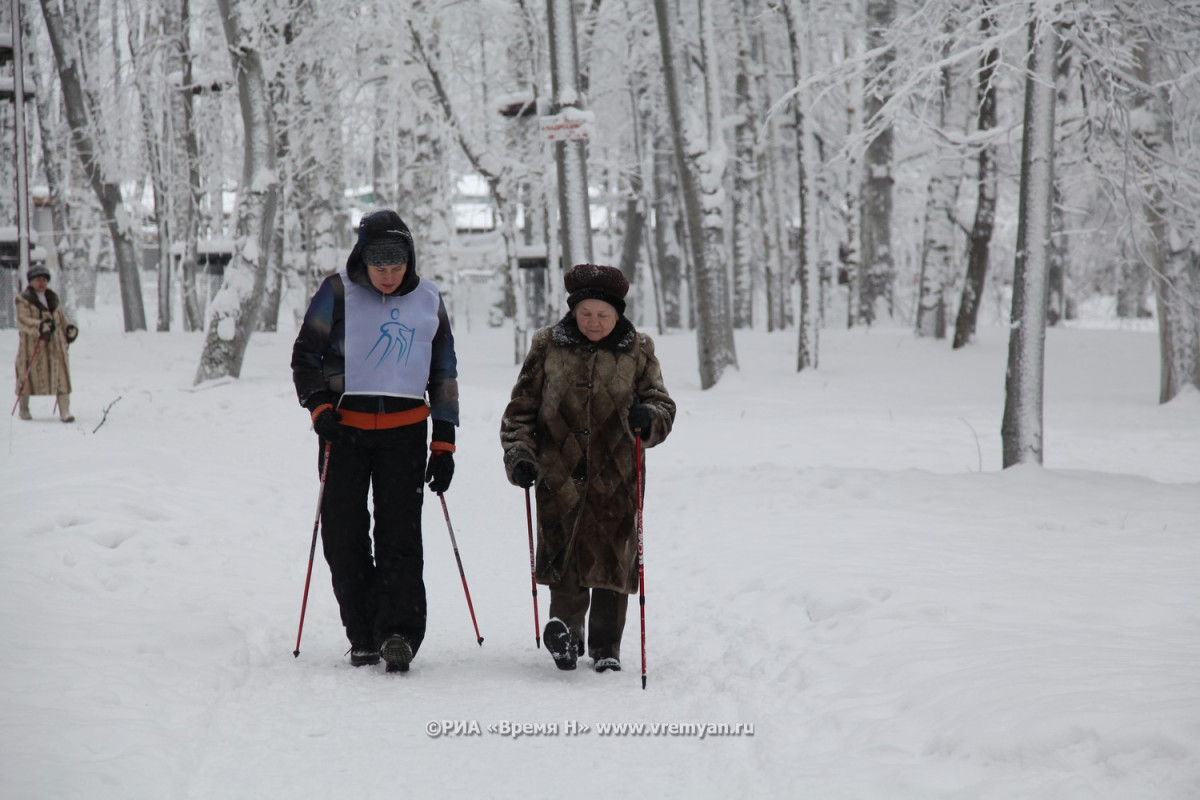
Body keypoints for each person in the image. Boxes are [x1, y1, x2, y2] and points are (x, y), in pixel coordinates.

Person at [291, 209, 459, 673]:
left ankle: (398, 633)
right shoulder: (338, 292)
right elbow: (305, 355)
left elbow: (443, 369)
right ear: (362, 260)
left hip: (406, 433)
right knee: (343, 533)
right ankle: (363, 632)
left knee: (399, 536)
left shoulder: (428, 299)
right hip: (343, 430)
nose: (387, 276)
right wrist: (319, 407)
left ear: (410, 261)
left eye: (396, 266)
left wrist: (444, 440)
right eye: (378, 267)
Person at [500, 263, 676, 673]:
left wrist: (649, 416)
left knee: (613, 559)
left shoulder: (639, 350)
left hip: (617, 477)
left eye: (603, 315)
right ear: (572, 312)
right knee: (567, 557)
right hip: (559, 474)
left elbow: (662, 404)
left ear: (618, 314)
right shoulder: (547, 346)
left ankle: (606, 647)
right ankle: (566, 632)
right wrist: (519, 454)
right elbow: (520, 412)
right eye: (585, 314)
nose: (593, 322)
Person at [14, 264, 78, 423]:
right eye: (38, 280)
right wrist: (39, 326)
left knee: (62, 377)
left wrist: (69, 329)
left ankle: (65, 411)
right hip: (34, 347)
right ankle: (24, 409)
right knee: (27, 377)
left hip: (56, 347)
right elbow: (23, 320)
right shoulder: (23, 299)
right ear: (31, 282)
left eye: (44, 279)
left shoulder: (52, 298)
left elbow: (61, 318)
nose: (41, 283)